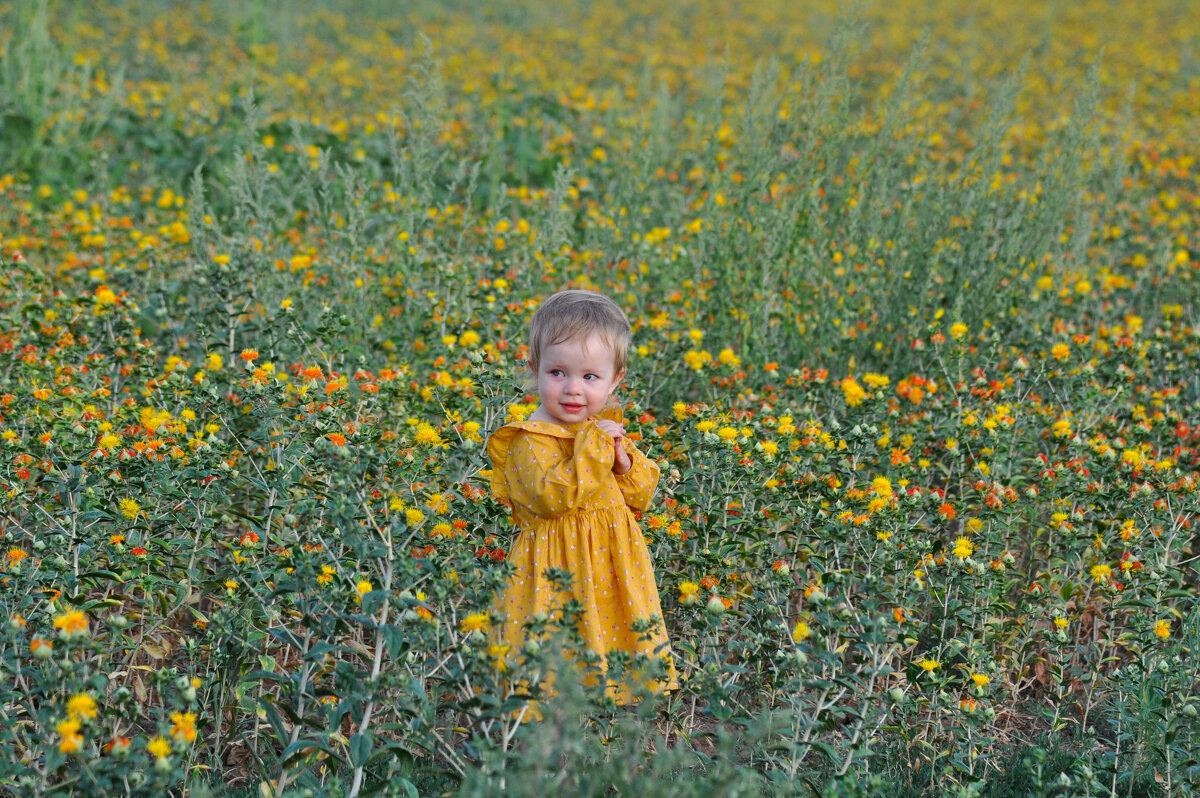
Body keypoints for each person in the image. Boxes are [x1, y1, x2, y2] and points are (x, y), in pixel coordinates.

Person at [486, 289, 677, 702]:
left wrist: (623, 462)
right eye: (558, 373)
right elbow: (553, 496)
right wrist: (595, 449)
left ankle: (599, 735)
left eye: (590, 377)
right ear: (535, 368)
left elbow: (641, 495)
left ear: (614, 381)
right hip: (555, 569)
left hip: (609, 563)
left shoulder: (599, 431)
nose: (573, 389)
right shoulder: (528, 440)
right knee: (554, 662)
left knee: (612, 646)